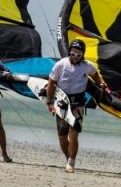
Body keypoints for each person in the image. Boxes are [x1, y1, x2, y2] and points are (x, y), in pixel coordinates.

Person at [46, 39, 107, 173]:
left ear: (83, 55)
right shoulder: (61, 64)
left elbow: (96, 75)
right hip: (62, 101)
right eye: (73, 54)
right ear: (69, 52)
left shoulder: (87, 66)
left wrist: (101, 83)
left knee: (73, 134)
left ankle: (71, 162)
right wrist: (49, 102)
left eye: (78, 55)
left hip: (78, 103)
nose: (75, 57)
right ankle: (68, 158)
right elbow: (51, 83)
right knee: (62, 136)